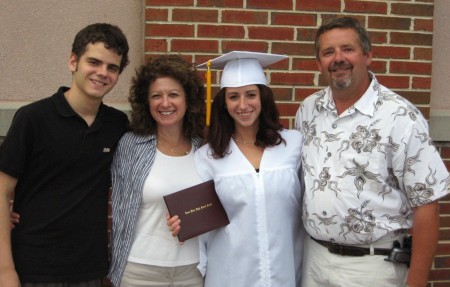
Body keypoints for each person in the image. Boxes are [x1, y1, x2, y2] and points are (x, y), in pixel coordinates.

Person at [295, 17, 450, 287]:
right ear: (319, 62)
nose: (338, 58)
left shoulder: (400, 117)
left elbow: (427, 207)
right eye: (328, 52)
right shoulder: (308, 111)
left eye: (348, 49)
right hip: (314, 262)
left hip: (373, 268)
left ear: (368, 55)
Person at [0, 23, 130, 287]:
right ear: (73, 61)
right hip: (33, 269)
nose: (102, 73)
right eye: (94, 62)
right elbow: (1, 191)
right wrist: (5, 272)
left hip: (90, 270)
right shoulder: (32, 118)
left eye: (112, 67)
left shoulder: (117, 125)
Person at [169, 51, 305, 286]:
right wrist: (182, 224)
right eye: (233, 97)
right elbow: (200, 224)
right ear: (224, 103)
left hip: (285, 273)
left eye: (250, 95)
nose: (243, 105)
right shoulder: (208, 157)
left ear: (263, 97)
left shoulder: (293, 145)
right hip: (230, 276)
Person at [108, 55, 206, 287]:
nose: (165, 103)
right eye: (156, 96)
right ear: (146, 102)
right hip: (139, 269)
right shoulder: (130, 145)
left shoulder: (204, 148)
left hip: (193, 271)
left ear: (188, 99)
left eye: (173, 94)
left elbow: (215, 206)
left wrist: (194, 219)